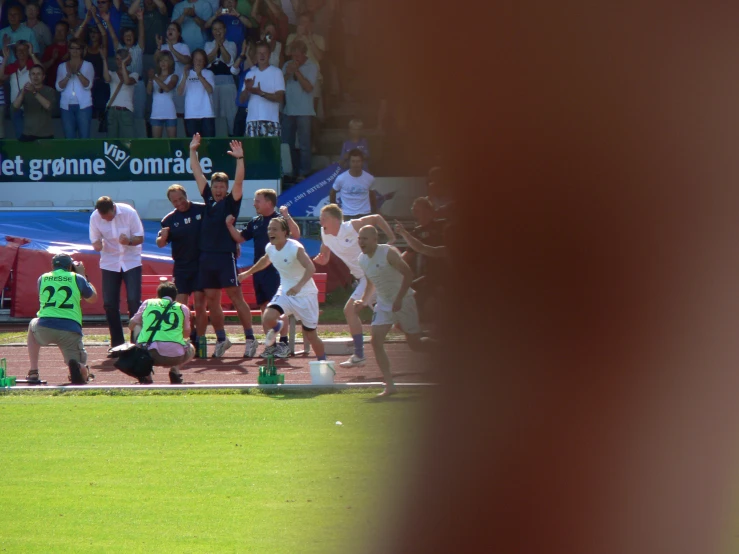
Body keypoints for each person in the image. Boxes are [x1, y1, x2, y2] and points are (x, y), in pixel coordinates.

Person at [190, 132, 259, 357]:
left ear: (226, 189)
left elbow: (239, 181)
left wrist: (240, 158)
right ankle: (222, 339)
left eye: (222, 187)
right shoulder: (207, 198)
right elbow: (197, 172)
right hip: (205, 257)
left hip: (224, 256)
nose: (218, 190)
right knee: (212, 300)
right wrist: (193, 150)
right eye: (215, 187)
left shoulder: (231, 201)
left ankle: (250, 338)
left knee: (235, 296)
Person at [313, 203, 396, 367]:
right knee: (397, 320)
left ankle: (359, 354)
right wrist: (324, 258)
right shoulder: (325, 233)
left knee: (350, 310)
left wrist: (392, 238)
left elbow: (376, 218)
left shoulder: (351, 227)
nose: (321, 221)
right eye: (320, 218)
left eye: (324, 218)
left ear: (336, 220)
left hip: (374, 275)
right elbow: (326, 248)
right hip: (363, 279)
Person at [356, 226, 434, 397]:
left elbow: (408, 274)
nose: (361, 242)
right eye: (360, 238)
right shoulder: (362, 259)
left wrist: (399, 298)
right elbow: (371, 282)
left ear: (375, 240)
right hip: (384, 304)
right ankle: (390, 385)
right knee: (376, 341)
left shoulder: (388, 253)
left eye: (365, 239)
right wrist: (363, 300)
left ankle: (440, 347)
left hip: (404, 301)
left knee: (415, 344)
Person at [237, 217, 327, 361]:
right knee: (268, 317)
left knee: (311, 335)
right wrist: (247, 274)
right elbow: (265, 260)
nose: (270, 232)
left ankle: (323, 363)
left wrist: (298, 286)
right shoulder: (270, 248)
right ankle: (278, 325)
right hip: (285, 291)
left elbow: (311, 268)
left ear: (285, 232)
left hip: (305, 294)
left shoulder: (294, 247)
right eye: (269, 229)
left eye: (275, 229)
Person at [225, 189, 300, 357]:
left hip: (277, 271)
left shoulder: (280, 220)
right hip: (260, 271)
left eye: (257, 201)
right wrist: (229, 226)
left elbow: (296, 235)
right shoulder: (255, 221)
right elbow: (240, 238)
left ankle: (284, 343)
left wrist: (287, 216)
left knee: (278, 308)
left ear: (268, 203)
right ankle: (271, 345)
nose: (254, 204)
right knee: (264, 308)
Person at [27, 254, 97, 385]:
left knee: (32, 323)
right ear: (70, 266)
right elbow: (92, 298)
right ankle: (80, 368)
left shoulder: (42, 278)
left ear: (53, 266)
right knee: (79, 363)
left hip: (44, 327)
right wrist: (83, 276)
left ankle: (33, 370)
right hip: (70, 329)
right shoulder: (77, 278)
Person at [156, 184, 208, 355]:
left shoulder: (203, 209)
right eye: (175, 201)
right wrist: (162, 236)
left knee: (200, 305)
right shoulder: (168, 220)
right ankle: (184, 340)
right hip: (182, 267)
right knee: (180, 307)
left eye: (181, 199)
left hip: (201, 265)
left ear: (186, 196)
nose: (179, 203)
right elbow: (161, 243)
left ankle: (200, 340)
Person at [89, 196, 144, 350]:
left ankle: (136, 342)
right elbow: (94, 240)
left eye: (108, 216)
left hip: (131, 261)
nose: (106, 220)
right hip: (109, 263)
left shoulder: (128, 212)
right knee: (109, 303)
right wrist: (97, 245)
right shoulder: (95, 217)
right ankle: (117, 344)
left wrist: (130, 241)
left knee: (134, 301)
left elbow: (140, 237)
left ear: (114, 208)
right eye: (103, 217)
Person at [128, 280, 196, 384]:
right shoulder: (183, 308)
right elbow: (186, 334)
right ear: (175, 296)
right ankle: (175, 370)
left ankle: (146, 375)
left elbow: (131, 324)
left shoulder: (148, 303)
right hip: (176, 356)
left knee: (137, 325)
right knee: (190, 347)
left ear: (158, 295)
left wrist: (146, 324)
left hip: (150, 355)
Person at [281, 38, 317, 182]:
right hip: (289, 110)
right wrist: (288, 73)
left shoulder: (312, 66)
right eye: (293, 56)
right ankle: (290, 171)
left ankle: (304, 172)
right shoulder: (286, 65)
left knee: (304, 144)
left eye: (297, 56)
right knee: (286, 143)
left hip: (305, 111)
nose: (295, 59)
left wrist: (297, 72)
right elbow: (280, 86)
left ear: (304, 54)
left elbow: (308, 87)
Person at [240, 40, 284, 136]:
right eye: (259, 53)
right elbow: (242, 100)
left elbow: (280, 97)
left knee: (270, 151)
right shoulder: (250, 74)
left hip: (271, 120)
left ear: (269, 55)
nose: (262, 55)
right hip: (252, 121)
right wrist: (247, 89)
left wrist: (262, 93)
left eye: (264, 53)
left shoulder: (277, 72)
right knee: (252, 151)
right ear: (255, 55)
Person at [1, 40, 43, 138]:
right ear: (15, 53)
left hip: (32, 106)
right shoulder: (12, 67)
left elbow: (41, 70)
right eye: (18, 50)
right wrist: (6, 58)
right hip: (16, 107)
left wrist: (32, 54)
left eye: (24, 50)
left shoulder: (32, 66)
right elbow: (1, 77)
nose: (21, 52)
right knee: (20, 136)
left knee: (33, 135)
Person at [55, 37, 94, 138]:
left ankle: (84, 154)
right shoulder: (62, 66)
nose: (75, 51)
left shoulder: (88, 65)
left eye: (78, 48)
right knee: (69, 137)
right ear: (69, 50)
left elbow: (88, 85)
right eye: (72, 48)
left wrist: (78, 72)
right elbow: (58, 87)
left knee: (84, 137)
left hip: (84, 105)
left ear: (81, 50)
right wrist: (68, 75)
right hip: (66, 106)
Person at [204, 19, 237, 134]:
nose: (217, 32)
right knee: (214, 112)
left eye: (220, 29)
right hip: (213, 82)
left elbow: (229, 60)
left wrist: (221, 45)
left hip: (227, 82)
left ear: (225, 30)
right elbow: (206, 60)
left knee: (229, 113)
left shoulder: (231, 44)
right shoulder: (208, 45)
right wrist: (216, 47)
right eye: (215, 29)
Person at [102, 46, 139, 138]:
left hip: (126, 111)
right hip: (112, 110)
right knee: (111, 143)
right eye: (117, 59)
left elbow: (127, 81)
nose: (119, 61)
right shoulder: (112, 74)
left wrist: (123, 65)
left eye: (121, 59)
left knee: (127, 142)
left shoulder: (134, 74)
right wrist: (104, 60)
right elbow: (106, 78)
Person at [176, 48, 215, 136]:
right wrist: (185, 77)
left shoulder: (209, 73)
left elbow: (210, 90)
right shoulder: (186, 74)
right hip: (191, 114)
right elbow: (179, 92)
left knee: (209, 143)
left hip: (207, 113)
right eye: (196, 59)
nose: (198, 62)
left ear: (205, 61)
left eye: (201, 60)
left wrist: (199, 75)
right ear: (192, 61)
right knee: (193, 144)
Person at [155, 21, 191, 115]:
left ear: (179, 33)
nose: (170, 31)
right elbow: (155, 60)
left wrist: (172, 49)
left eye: (173, 29)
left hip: (180, 82)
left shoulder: (183, 46)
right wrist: (159, 47)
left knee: (179, 111)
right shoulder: (163, 47)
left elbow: (187, 60)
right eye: (169, 29)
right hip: (166, 81)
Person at [13, 63, 56, 140]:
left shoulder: (49, 90)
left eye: (38, 74)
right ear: (29, 76)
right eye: (33, 74)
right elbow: (14, 108)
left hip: (46, 134)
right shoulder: (24, 91)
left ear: (43, 77)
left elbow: (49, 106)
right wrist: (22, 92)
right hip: (27, 134)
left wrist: (34, 92)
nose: (35, 76)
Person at [329, 149, 376, 217]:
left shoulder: (369, 178)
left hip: (365, 214)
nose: (355, 164)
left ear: (362, 162)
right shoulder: (341, 178)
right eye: (353, 161)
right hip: (347, 215)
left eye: (358, 161)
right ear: (349, 162)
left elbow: (372, 195)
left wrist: (374, 211)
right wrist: (335, 210)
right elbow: (332, 193)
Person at [147, 49, 178, 136]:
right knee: (157, 144)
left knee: (172, 143)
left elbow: (167, 88)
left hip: (170, 113)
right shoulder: (155, 76)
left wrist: (154, 78)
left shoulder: (174, 76)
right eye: (161, 60)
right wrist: (150, 79)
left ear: (170, 62)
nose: (163, 63)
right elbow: (149, 91)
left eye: (166, 60)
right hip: (156, 113)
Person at [41, 20, 70, 89]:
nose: (59, 33)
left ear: (67, 32)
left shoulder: (72, 48)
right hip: (51, 87)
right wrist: (53, 60)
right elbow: (42, 68)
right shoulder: (50, 49)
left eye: (62, 30)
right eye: (57, 30)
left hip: (68, 86)